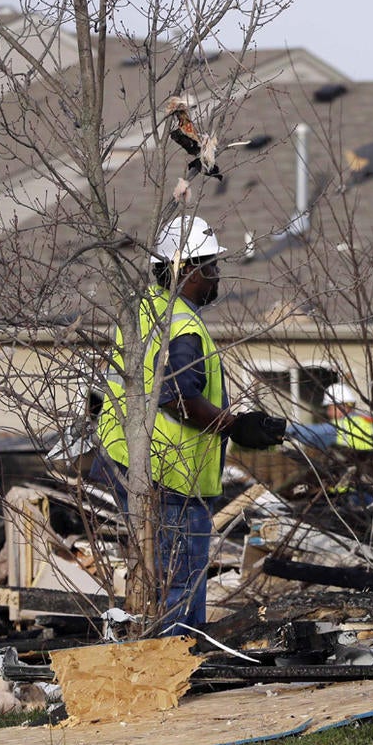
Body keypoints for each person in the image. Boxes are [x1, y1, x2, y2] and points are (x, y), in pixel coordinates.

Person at [95, 214, 286, 629]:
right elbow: (179, 397)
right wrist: (235, 426)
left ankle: (169, 667)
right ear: (185, 271)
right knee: (181, 585)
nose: (216, 277)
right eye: (210, 267)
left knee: (159, 582)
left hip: (136, 466)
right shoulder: (181, 326)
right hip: (175, 477)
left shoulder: (144, 311)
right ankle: (182, 675)